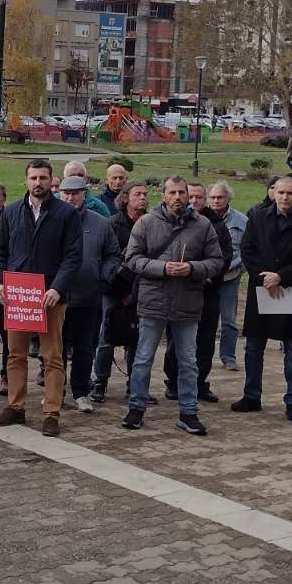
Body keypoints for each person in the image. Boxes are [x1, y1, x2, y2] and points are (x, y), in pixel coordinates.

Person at [120, 175, 224, 436]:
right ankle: (136, 408)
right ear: (163, 195)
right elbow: (131, 259)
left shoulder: (203, 225)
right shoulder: (146, 222)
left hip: (188, 302)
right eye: (172, 192)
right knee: (143, 358)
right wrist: (162, 268)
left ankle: (188, 412)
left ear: (188, 196)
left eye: (182, 192)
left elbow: (216, 261)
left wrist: (192, 268)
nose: (178, 197)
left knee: (188, 360)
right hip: (153, 301)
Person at [0, 159, 81, 436]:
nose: (37, 183)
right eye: (33, 178)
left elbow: (73, 256)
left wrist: (58, 288)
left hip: (51, 297)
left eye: (42, 178)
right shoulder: (12, 212)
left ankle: (51, 412)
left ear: (51, 180)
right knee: (15, 355)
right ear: (25, 180)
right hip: (18, 296)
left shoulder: (66, 213)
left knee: (52, 357)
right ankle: (15, 407)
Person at [234, 174, 292, 422]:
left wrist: (281, 277)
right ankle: (251, 396)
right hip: (261, 288)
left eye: (290, 193)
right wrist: (264, 277)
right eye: (281, 192)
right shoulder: (257, 218)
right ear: (273, 192)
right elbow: (247, 249)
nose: (285, 197)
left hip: (291, 291)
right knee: (253, 347)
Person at [55, 174, 121, 415]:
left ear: (84, 194)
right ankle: (56, 392)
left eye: (76, 193)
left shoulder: (99, 223)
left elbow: (113, 254)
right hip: (57, 297)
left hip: (88, 296)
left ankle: (81, 392)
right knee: (56, 349)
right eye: (66, 193)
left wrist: (102, 279)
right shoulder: (51, 220)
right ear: (60, 193)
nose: (71, 197)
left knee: (85, 348)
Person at [162, 180, 232, 404]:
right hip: (179, 291)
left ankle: (200, 382)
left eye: (198, 197)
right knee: (177, 340)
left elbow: (225, 257)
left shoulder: (217, 225)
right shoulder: (173, 222)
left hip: (208, 291)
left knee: (205, 340)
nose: (192, 201)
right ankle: (173, 382)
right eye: (189, 196)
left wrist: (206, 275)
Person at [206, 182, 248, 372]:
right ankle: (200, 355)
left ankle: (228, 357)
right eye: (213, 197)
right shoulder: (200, 218)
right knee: (202, 318)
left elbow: (249, 249)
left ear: (228, 198)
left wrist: (241, 269)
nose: (216, 201)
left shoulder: (241, 221)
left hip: (230, 278)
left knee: (229, 320)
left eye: (220, 197)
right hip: (205, 279)